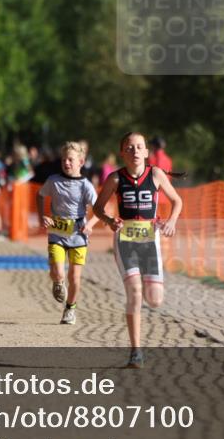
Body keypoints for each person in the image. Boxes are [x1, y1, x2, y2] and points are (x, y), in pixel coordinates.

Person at [93, 132, 183, 368]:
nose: (134, 151)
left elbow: (177, 201)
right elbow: (98, 207)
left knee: (155, 300)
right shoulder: (115, 178)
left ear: (146, 152)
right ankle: (136, 352)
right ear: (122, 152)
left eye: (139, 147)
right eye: (129, 147)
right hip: (125, 241)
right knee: (134, 292)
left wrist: (172, 222)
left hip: (150, 242)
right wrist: (109, 220)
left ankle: (146, 283)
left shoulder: (156, 174)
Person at [37, 142, 100, 325]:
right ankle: (58, 282)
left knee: (74, 277)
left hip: (78, 234)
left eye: (71, 160)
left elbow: (99, 210)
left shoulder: (85, 185)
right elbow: (40, 195)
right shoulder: (53, 181)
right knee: (58, 272)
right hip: (57, 232)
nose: (66, 163)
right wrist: (42, 216)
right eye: (64, 159)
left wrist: (91, 225)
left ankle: (70, 309)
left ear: (81, 162)